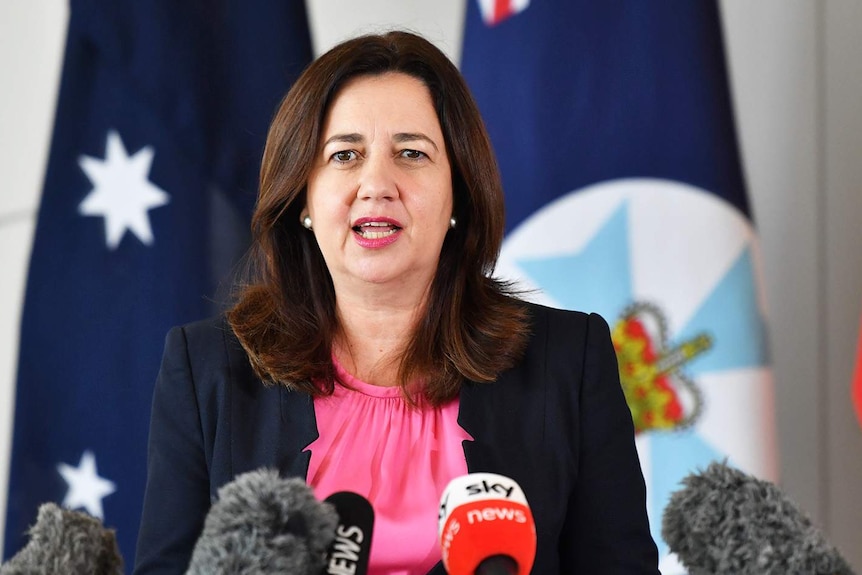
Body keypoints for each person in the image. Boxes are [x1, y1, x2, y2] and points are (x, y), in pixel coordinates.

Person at [133, 30, 659, 574]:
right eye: (345, 155)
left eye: (411, 153)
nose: (376, 182)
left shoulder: (567, 361)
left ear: (458, 189)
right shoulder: (207, 372)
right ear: (303, 196)